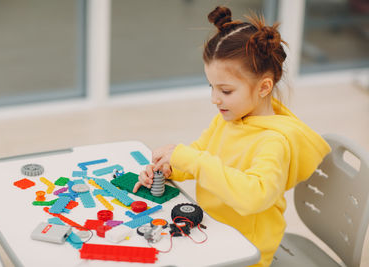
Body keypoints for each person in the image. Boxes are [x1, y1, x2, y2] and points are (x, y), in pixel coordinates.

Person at [133, 6, 331, 267]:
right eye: (211, 87)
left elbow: (253, 196)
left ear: (263, 87)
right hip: (214, 229)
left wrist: (190, 159)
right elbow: (201, 152)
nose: (215, 99)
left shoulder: (274, 141)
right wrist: (170, 168)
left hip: (248, 249)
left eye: (225, 91)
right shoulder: (229, 118)